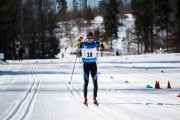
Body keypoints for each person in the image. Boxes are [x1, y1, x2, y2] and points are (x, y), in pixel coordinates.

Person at [73, 32, 107, 105]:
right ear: (87, 38)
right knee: (86, 82)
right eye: (88, 38)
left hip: (93, 65)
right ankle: (85, 98)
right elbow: (75, 46)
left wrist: (102, 40)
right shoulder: (83, 44)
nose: (90, 39)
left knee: (95, 82)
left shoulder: (95, 43)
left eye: (91, 38)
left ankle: (94, 97)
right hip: (86, 65)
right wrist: (78, 40)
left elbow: (105, 46)